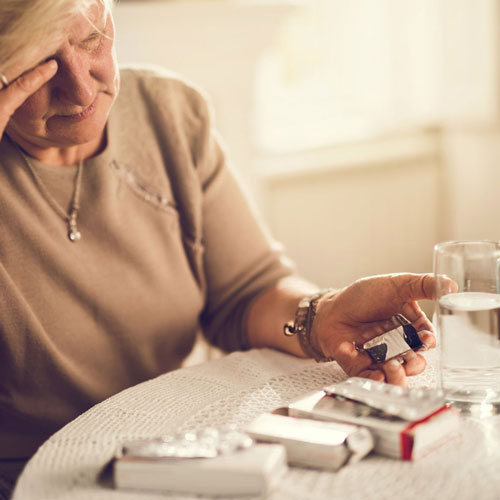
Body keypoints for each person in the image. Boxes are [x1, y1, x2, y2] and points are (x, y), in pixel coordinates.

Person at [0, 0, 452, 497]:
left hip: (176, 452)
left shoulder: (167, 112)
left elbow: (247, 291)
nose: (81, 88)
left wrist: (321, 315)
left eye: (91, 40)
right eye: (37, 66)